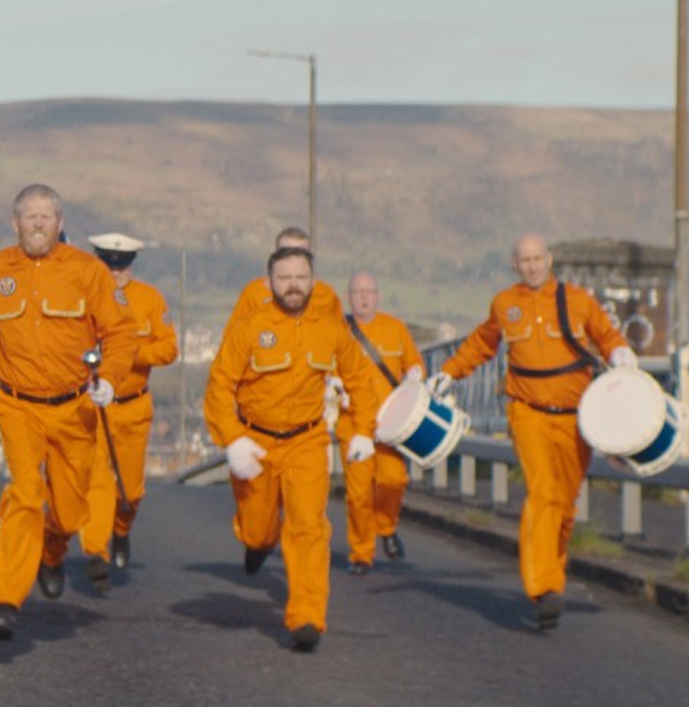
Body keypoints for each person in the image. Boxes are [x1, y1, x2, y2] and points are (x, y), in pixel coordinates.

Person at [0, 185, 135, 642]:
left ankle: (52, 551)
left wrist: (109, 377)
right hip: (17, 406)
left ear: (59, 222)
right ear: (14, 223)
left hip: (75, 410)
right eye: (29, 216)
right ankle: (5, 600)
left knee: (70, 514)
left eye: (46, 216)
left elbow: (120, 332)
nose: (37, 223)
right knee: (26, 494)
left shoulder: (87, 271)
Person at [432, 233, 634, 629]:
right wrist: (448, 372)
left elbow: (607, 336)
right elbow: (480, 345)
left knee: (566, 502)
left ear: (550, 259)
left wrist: (621, 353)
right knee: (542, 492)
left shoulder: (579, 301)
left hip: (576, 415)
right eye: (524, 260)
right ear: (514, 265)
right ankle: (543, 587)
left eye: (538, 258)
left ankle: (551, 574)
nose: (532, 266)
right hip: (527, 411)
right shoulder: (504, 305)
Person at [204, 246, 378, 652]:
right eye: (285, 278)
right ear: (270, 283)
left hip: (307, 440)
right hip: (255, 441)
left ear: (313, 280)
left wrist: (364, 433)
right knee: (258, 526)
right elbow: (218, 386)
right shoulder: (250, 327)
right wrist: (232, 439)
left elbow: (360, 379)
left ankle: (306, 617)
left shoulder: (331, 328)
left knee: (308, 527)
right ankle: (257, 542)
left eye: (301, 277)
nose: (294, 285)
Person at [79, 233, 179, 576]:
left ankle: (121, 531)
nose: (116, 272)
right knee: (97, 481)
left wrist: (130, 353)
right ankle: (96, 551)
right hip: (95, 404)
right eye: (109, 264)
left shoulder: (150, 299)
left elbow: (168, 349)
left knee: (131, 489)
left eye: (122, 266)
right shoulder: (84, 297)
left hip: (134, 406)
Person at [338, 271, 423, 574]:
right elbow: (325, 370)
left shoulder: (395, 329)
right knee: (358, 494)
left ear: (377, 296)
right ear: (349, 297)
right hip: (353, 424)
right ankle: (361, 553)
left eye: (369, 292)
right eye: (357, 292)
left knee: (394, 480)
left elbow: (413, 362)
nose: (363, 297)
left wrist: (415, 375)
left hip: (390, 426)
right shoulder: (339, 330)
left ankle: (386, 527)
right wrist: (336, 390)